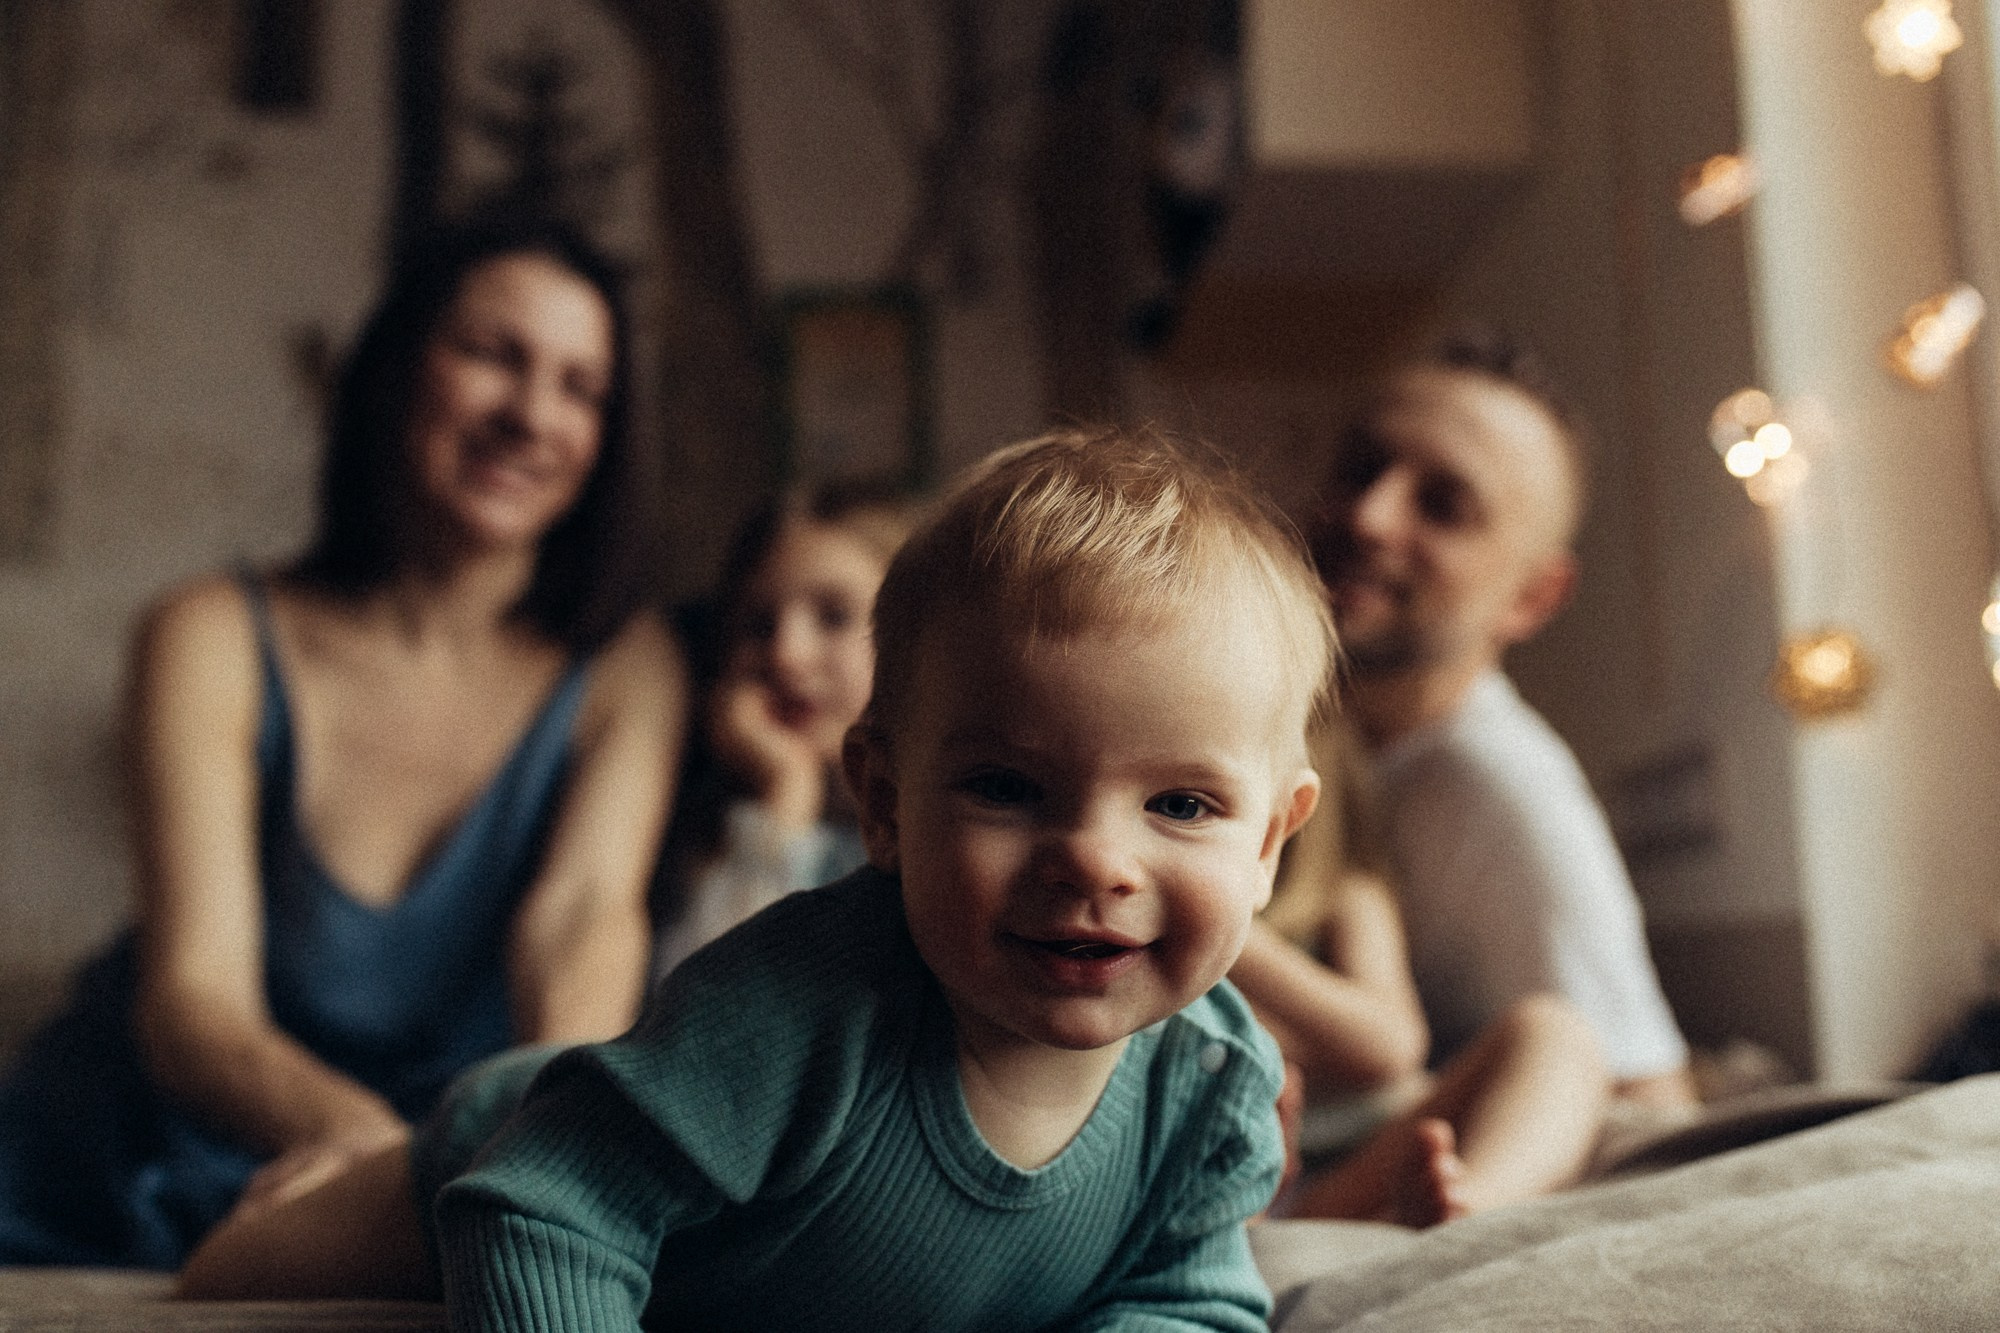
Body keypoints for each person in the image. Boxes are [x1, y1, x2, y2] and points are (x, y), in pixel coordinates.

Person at [412, 426, 1342, 1329]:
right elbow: (544, 1210)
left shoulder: (1214, 1086)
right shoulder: (795, 1009)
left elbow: (1183, 1298)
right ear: (886, 805)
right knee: (300, 1238)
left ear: (1268, 844)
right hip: (519, 1130)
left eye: (1181, 804)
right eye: (1007, 788)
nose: (1097, 859)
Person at [0, 214, 686, 1269]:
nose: (530, 416)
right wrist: (378, 1151)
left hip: (455, 1170)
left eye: (579, 386)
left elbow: (583, 931)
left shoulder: (628, 667)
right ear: (396, 370)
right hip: (128, 1164)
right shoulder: (208, 635)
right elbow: (193, 997)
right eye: (492, 354)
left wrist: (525, 1159)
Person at [1304, 331, 1695, 1107]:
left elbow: (1649, 1106)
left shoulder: (1506, 790)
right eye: (1361, 468)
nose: (1370, 517)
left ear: (1533, 598)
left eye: (1444, 505)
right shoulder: (1287, 730)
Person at [1232, 716, 1608, 1223]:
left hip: (1378, 1150)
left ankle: (1474, 1200)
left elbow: (1392, 1046)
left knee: (1554, 1030)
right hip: (1266, 1186)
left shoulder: (1344, 895)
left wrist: (1237, 940)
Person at [651, 482, 919, 978]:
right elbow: (704, 1019)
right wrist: (783, 794)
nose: (786, 654)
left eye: (834, 617)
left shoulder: (929, 843)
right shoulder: (698, 836)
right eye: (757, 626)